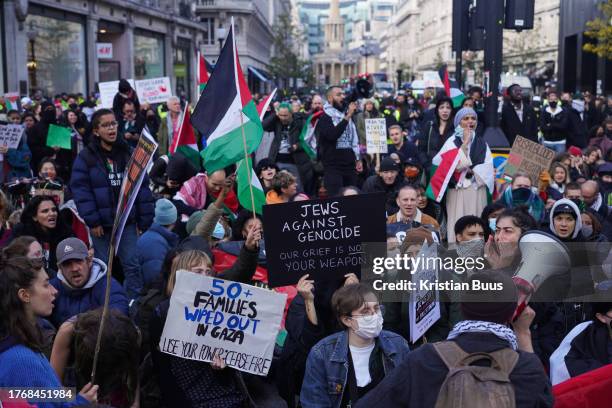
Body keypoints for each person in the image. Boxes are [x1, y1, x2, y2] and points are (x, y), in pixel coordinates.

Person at [356, 273, 553, 408]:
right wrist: (524, 335)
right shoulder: (527, 367)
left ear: (464, 308)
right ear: (512, 315)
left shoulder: (424, 358)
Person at [70, 108, 154, 299]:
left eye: (114, 123)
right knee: (103, 268)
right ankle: (105, 304)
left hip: (127, 223)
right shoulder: (86, 157)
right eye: (106, 125)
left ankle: (133, 307)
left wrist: (144, 220)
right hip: (101, 225)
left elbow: (142, 188)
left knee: (132, 266)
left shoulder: (129, 152)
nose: (111, 128)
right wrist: (93, 221)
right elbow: (81, 190)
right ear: (96, 130)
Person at [0, 255, 99, 407]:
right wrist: (82, 404)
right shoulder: (21, 361)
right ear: (24, 295)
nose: (54, 291)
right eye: (46, 285)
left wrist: (77, 397)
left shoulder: (23, 341)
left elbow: (45, 394)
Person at [300, 283, 411, 408]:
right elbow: (314, 403)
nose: (374, 316)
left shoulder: (398, 345)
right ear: (347, 320)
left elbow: (410, 395)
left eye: (377, 309)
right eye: (365, 312)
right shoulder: (322, 354)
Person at [433, 107, 494, 244]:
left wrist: (473, 170)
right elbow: (444, 164)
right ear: (458, 122)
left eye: (473, 118)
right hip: (457, 192)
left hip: (477, 189)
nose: (470, 121)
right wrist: (465, 144)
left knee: (477, 223)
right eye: (466, 118)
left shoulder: (482, 143)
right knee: (458, 222)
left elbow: (488, 168)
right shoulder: (451, 142)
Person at [49, 237, 128, 328]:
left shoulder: (108, 285)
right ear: (60, 268)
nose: (74, 269)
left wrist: (75, 324)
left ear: (89, 261)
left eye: (78, 261)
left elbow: (119, 316)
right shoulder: (52, 288)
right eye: (67, 264)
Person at [11, 196, 74, 274]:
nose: (52, 213)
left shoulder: (65, 232)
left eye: (54, 210)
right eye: (45, 211)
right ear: (34, 217)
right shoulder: (21, 233)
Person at [316, 86, 360, 196]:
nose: (343, 97)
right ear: (330, 98)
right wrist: (348, 116)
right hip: (333, 167)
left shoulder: (345, 115)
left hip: (349, 165)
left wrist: (358, 159)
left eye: (343, 94)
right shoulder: (324, 117)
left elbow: (353, 138)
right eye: (339, 94)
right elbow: (332, 135)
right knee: (336, 200)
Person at [262, 103, 313, 195]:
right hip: (277, 160)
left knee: (297, 188)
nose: (283, 118)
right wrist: (275, 115)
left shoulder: (300, 121)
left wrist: (297, 146)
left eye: (285, 115)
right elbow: (263, 126)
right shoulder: (277, 121)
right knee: (279, 188)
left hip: (295, 161)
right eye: (281, 115)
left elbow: (308, 140)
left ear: (291, 113)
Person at [134, 199, 179, 299]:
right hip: (146, 297)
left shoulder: (155, 237)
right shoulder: (155, 243)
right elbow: (154, 278)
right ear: (174, 221)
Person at [417, 96, 454, 169]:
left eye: (448, 108)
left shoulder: (456, 128)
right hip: (431, 168)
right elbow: (421, 150)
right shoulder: (429, 126)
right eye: (442, 107)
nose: (445, 110)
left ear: (452, 110)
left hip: (449, 170)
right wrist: (427, 165)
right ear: (437, 110)